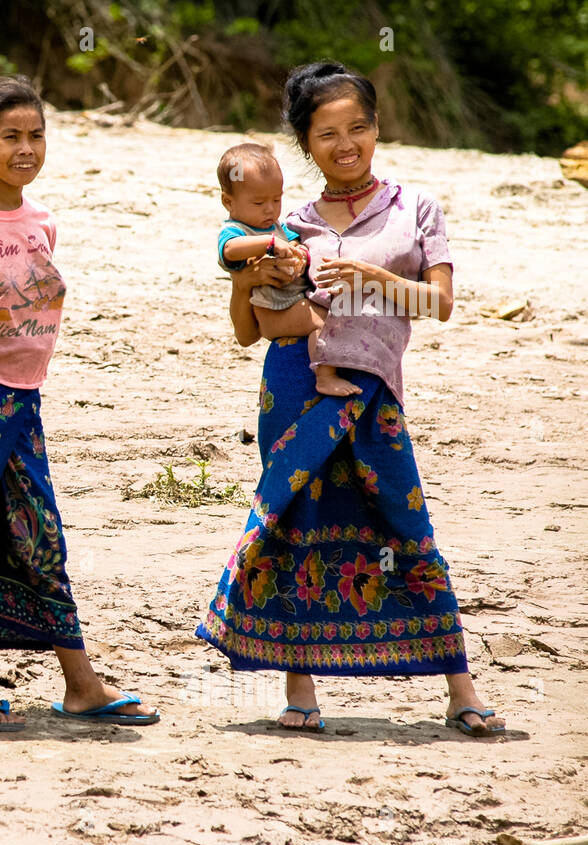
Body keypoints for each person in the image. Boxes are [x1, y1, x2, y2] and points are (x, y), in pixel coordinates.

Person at [197, 62, 505, 737]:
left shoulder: (414, 206)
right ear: (305, 143)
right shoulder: (288, 222)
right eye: (327, 133)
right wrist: (248, 280)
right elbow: (248, 332)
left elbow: (441, 303)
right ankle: (299, 694)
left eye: (358, 127)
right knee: (295, 527)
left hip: (374, 394)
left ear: (377, 126)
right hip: (295, 388)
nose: (346, 144)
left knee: (406, 528)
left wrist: (370, 275)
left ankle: (460, 689)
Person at [0, 75, 159, 730]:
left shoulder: (43, 222)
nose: (26, 148)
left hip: (23, 406)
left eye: (36, 135)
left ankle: (81, 686)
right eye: (10, 136)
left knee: (41, 540)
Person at [216, 142, 358, 398]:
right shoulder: (237, 231)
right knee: (323, 320)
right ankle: (325, 377)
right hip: (272, 312)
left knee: (333, 311)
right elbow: (230, 250)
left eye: (276, 199)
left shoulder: (277, 227)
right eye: (258, 202)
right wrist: (268, 244)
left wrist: (298, 255)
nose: (270, 209)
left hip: (291, 302)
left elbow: (296, 245)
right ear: (229, 201)